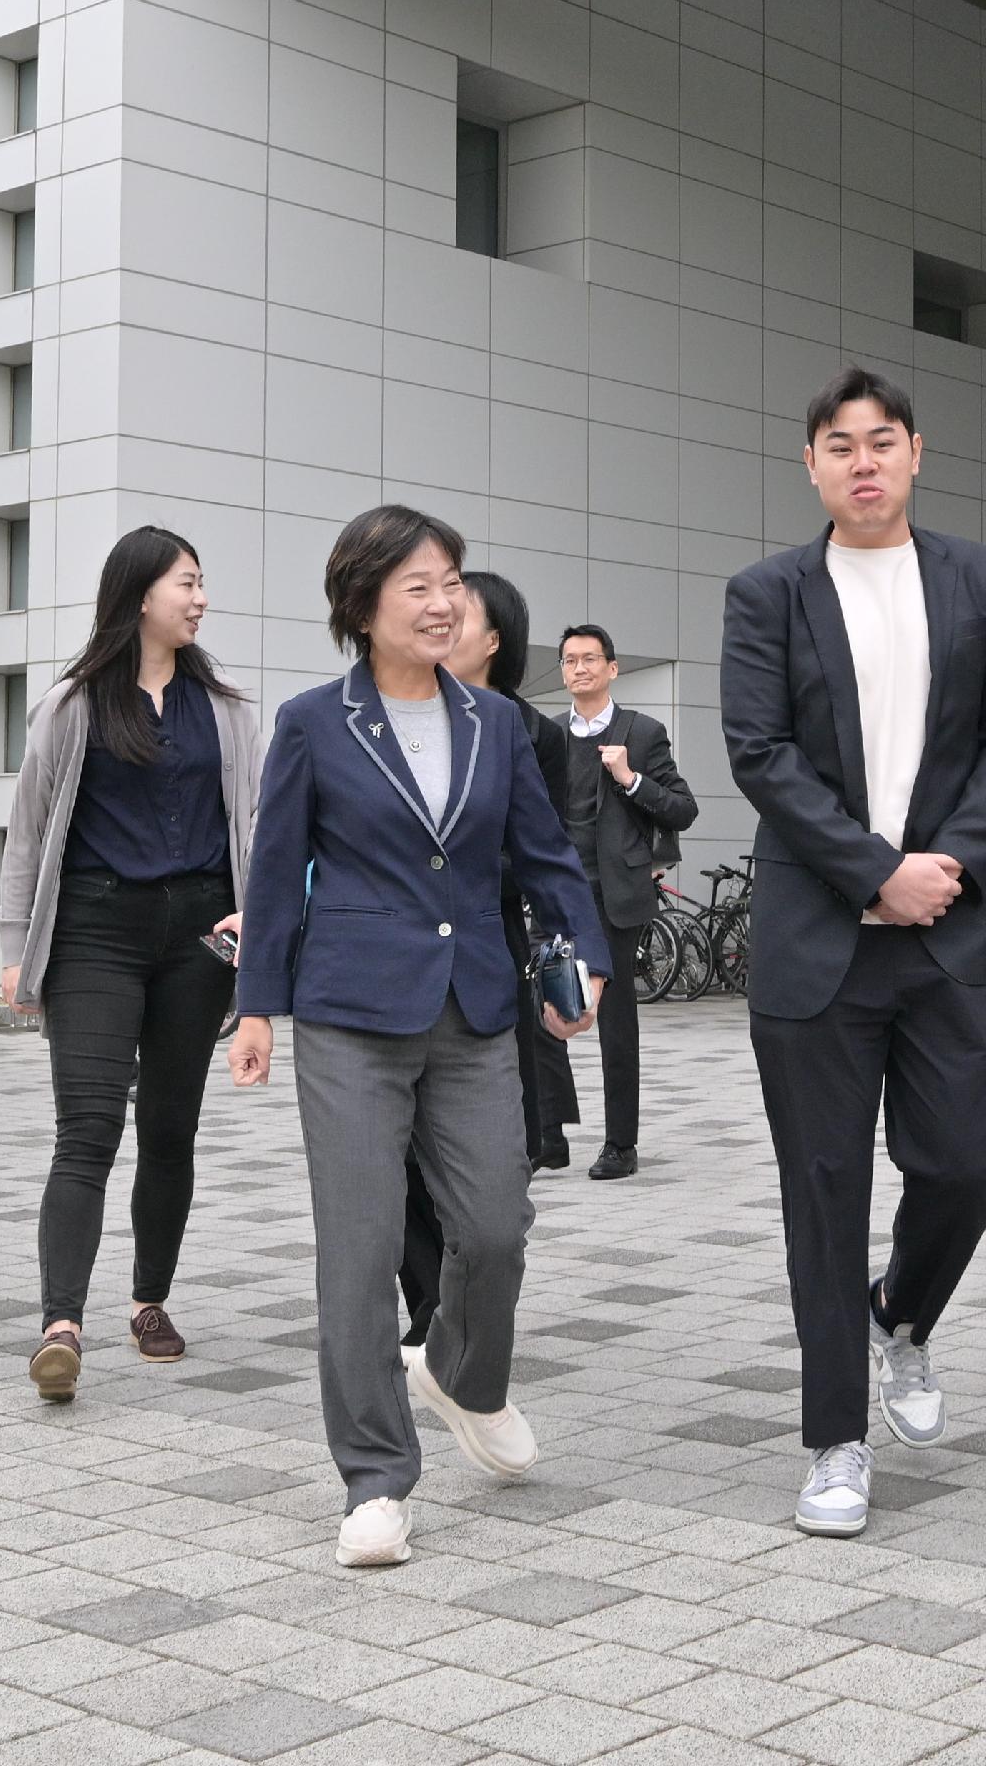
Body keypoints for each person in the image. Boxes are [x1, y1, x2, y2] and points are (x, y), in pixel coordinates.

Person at [229, 506, 610, 1571]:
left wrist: (586, 955)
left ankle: (460, 1374)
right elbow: (275, 871)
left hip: (476, 1007)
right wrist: (256, 1006)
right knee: (358, 1252)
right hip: (350, 1011)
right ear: (362, 605)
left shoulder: (495, 723)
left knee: (494, 1227)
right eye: (419, 586)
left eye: (452, 583)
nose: (444, 604)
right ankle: (375, 1479)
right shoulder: (315, 723)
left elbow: (544, 854)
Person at [719, 369, 986, 1541]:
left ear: (915, 454)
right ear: (810, 464)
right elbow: (760, 753)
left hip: (948, 933)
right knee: (823, 1192)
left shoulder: (973, 577)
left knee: (966, 1161)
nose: (863, 462)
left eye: (882, 442)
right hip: (819, 947)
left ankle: (899, 1313)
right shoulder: (767, 593)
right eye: (840, 445)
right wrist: (873, 871)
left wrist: (940, 864)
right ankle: (834, 1442)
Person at [0, 527, 261, 1402]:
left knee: (171, 1128)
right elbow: (29, 831)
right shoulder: (73, 704)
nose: (201, 598)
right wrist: (14, 949)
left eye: (201, 582)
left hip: (199, 939)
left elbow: (255, 825)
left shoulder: (225, 709)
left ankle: (149, 1302)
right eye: (187, 582)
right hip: (94, 933)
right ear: (140, 594)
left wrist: (256, 921)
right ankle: (61, 1326)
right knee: (88, 1128)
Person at [401, 569, 577, 1345]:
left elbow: (545, 853)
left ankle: (465, 1290)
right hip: (394, 956)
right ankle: (428, 1307)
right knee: (395, 1143)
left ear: (495, 640)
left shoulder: (534, 737)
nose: (439, 621)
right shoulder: (394, 716)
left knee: (506, 1149)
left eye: (459, 614)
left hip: (491, 952)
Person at [551, 619, 699, 1177]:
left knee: (614, 1019)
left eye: (590, 658)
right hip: (559, 890)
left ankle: (620, 1144)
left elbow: (683, 808)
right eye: (570, 660)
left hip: (615, 893)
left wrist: (630, 777)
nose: (580, 668)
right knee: (543, 1008)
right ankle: (546, 1136)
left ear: (612, 668)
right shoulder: (549, 736)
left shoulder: (642, 732)